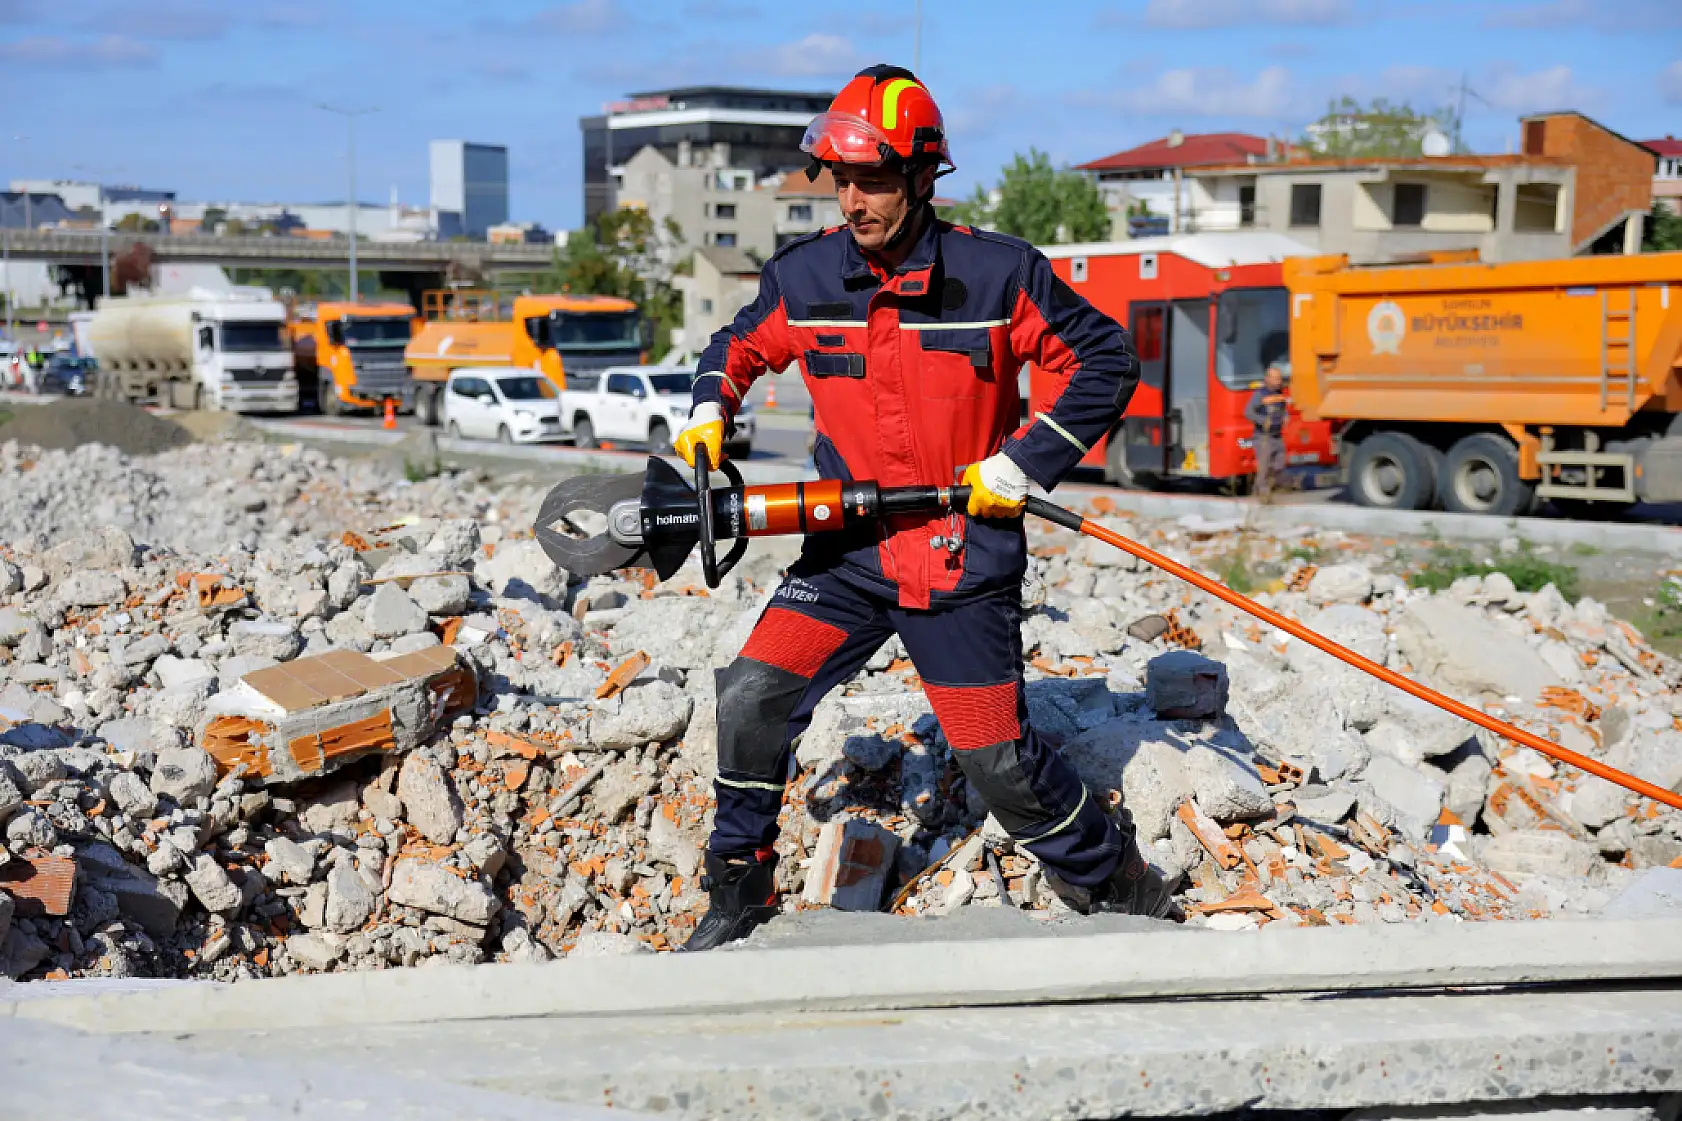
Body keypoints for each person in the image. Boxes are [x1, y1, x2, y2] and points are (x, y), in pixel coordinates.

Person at [672, 63, 1182, 952]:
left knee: (997, 763)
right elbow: (738, 343)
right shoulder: (806, 278)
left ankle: (1122, 888)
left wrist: (1027, 461)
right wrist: (712, 401)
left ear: (920, 176)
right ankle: (738, 888)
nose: (853, 201)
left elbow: (1104, 360)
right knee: (750, 695)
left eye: (873, 180)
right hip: (849, 552)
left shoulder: (996, 275)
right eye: (842, 181)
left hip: (960, 554)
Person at [1245, 363, 1290, 500]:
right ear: (1267, 379)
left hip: (1277, 436)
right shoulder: (1259, 394)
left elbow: (1282, 408)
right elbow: (1248, 412)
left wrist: (1285, 416)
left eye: (1279, 379)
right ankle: (1263, 494)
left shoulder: (1279, 394)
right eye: (1276, 379)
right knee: (1264, 466)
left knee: (1279, 464)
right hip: (1263, 437)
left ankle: (1270, 485)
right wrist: (1263, 420)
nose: (1279, 381)